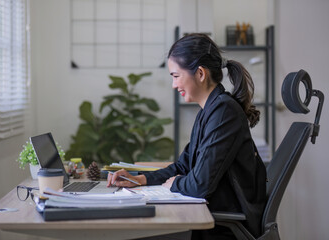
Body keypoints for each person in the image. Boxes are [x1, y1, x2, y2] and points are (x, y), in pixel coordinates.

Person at [107, 33, 267, 240]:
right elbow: (184, 166)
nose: (174, 85)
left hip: (224, 228)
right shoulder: (209, 111)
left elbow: (200, 185)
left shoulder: (223, 113)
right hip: (212, 216)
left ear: (200, 73)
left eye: (176, 76)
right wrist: (141, 179)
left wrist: (174, 184)